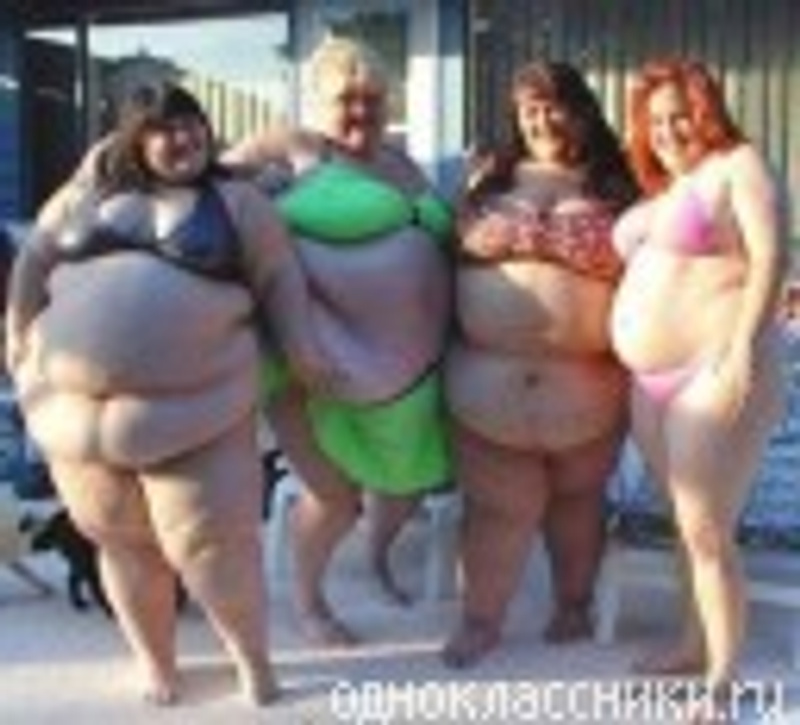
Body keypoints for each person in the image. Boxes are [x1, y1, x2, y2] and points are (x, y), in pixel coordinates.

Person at [4, 83, 336, 705]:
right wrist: (16, 333)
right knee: (123, 544)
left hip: (198, 412)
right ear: (133, 138)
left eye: (191, 124)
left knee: (215, 548)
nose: (183, 138)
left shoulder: (237, 202)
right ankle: (156, 663)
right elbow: (34, 260)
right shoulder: (84, 194)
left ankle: (252, 661)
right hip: (74, 419)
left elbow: (278, 276)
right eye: (164, 129)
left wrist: (303, 347)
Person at [224, 36, 453, 643]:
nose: (360, 111)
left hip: (410, 374)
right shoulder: (294, 147)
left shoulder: (405, 164)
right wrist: (257, 192)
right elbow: (205, 181)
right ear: (317, 101)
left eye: (372, 98)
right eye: (345, 98)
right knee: (334, 497)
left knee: (408, 483)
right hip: (312, 368)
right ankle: (310, 605)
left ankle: (377, 556)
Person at [442, 60, 639, 668]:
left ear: (581, 110)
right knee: (495, 512)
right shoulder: (486, 182)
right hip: (488, 395)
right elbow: (439, 256)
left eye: (554, 106)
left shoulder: (620, 184)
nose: (542, 120)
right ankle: (480, 620)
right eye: (529, 110)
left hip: (589, 398)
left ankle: (573, 605)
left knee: (578, 505)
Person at [609, 58, 787, 696]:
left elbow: (771, 257)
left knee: (706, 529)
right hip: (652, 382)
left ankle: (722, 680)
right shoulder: (667, 188)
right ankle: (692, 644)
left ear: (707, 111)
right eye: (655, 121)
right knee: (685, 524)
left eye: (680, 116)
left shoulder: (740, 164)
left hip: (713, 369)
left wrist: (740, 351)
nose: (667, 131)